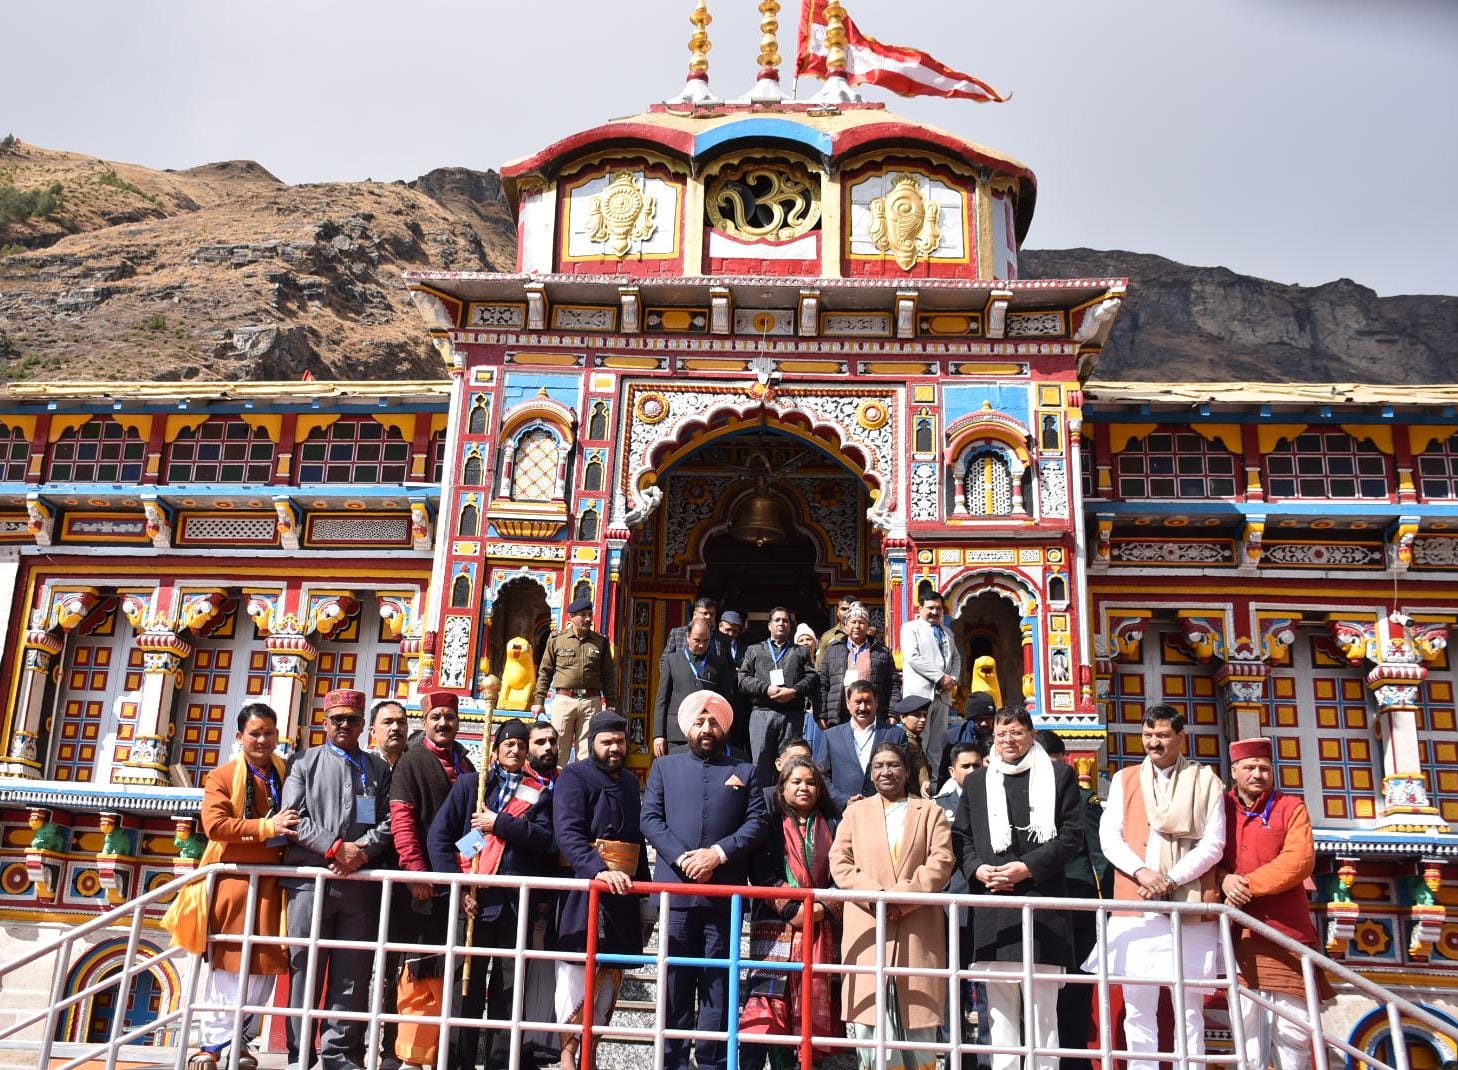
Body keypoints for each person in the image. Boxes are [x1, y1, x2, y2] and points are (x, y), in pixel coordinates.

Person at [1091, 705, 1226, 1070]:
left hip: (1188, 901)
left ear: (1181, 737)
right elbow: (1110, 836)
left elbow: (1214, 843)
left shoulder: (1206, 781)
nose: (1155, 742)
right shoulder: (1125, 779)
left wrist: (1171, 879)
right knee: (1138, 1005)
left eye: (1163, 735)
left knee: (1189, 1007)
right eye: (1148, 735)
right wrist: (1143, 873)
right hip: (1136, 902)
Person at [640, 690, 769, 1070]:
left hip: (724, 894)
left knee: (719, 981)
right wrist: (684, 858)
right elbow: (650, 819)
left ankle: (713, 1062)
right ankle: (673, 1062)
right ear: (687, 727)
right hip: (677, 894)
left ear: (724, 726)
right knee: (676, 981)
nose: (707, 728)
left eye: (713, 721)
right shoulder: (665, 767)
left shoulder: (744, 770)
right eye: (699, 721)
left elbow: (757, 822)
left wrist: (718, 854)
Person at [954, 708, 1083, 1070]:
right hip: (993, 904)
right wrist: (977, 869)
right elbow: (961, 836)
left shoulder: (1058, 775)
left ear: (1031, 734)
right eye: (1001, 734)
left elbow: (1072, 834)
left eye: (1016, 732)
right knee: (999, 1013)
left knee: (1043, 1013)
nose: (1008, 740)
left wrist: (1027, 868)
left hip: (1042, 904)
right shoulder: (978, 782)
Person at [427, 718, 555, 1070]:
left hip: (515, 904)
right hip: (473, 900)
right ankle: (457, 1062)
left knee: (508, 990)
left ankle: (500, 1062)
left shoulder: (539, 793)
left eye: (521, 745)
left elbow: (546, 840)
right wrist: (456, 887)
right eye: (508, 744)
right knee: (464, 986)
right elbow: (440, 839)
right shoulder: (473, 785)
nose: (515, 750)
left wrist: (498, 823)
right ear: (496, 749)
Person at [280, 689, 394, 1070]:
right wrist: (334, 848)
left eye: (353, 720)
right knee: (305, 968)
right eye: (337, 719)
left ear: (363, 727)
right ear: (324, 722)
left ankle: (339, 1053)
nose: (345, 725)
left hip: (358, 883)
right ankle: (299, 1053)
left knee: (353, 971)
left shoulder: (377, 769)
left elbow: (388, 822)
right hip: (311, 883)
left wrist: (360, 851)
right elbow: (292, 818)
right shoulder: (303, 762)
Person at [830, 741, 955, 1070]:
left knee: (919, 1022)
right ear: (871, 774)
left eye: (893, 765)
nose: (886, 771)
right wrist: (877, 898)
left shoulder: (930, 812)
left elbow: (941, 862)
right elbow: (840, 864)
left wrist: (901, 899)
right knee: (871, 1022)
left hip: (917, 927)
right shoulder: (855, 813)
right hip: (868, 923)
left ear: (907, 771)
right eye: (879, 766)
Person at [187, 703, 299, 1070]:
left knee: (264, 967)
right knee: (230, 966)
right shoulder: (221, 777)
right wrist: (267, 827)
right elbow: (215, 826)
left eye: (268, 732)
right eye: (255, 733)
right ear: (239, 737)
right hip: (236, 885)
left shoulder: (288, 772)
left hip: (275, 886)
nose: (262, 740)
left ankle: (243, 1042)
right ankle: (211, 1045)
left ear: (277, 735)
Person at [1220, 737, 1332, 1070]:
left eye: (1264, 768)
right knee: (1245, 1026)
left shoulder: (1290, 807)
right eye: (1250, 767)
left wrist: (1247, 885)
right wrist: (1224, 880)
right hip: (1238, 934)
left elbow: (1299, 860)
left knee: (1293, 1027)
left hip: (1285, 932)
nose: (1258, 774)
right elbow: (1209, 855)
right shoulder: (1220, 808)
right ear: (1234, 771)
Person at [552, 710, 649, 1070]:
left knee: (610, 980)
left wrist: (645, 898)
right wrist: (599, 871)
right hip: (584, 892)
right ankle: (567, 1056)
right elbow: (568, 834)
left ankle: (590, 1055)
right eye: (607, 742)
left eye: (620, 742)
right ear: (592, 742)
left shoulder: (629, 783)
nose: (614, 748)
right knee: (576, 977)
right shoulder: (574, 777)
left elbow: (636, 840)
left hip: (623, 895)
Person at [387, 691, 474, 1070]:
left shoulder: (466, 765)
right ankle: (411, 1057)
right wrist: (416, 873)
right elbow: (403, 821)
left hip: (457, 883)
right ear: (424, 722)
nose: (443, 723)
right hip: (422, 887)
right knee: (419, 969)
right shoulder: (412, 761)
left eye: (449, 717)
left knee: (448, 970)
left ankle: (437, 1055)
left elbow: (474, 826)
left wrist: (469, 873)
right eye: (436, 717)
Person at [741, 756, 843, 1070]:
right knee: (772, 1008)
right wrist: (792, 908)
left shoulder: (835, 824)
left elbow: (844, 873)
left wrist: (821, 909)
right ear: (782, 787)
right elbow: (761, 872)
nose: (804, 788)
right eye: (796, 781)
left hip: (822, 926)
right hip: (776, 927)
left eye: (811, 782)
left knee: (815, 1005)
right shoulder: (769, 825)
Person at [1035, 730, 1110, 1070]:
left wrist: (1102, 905)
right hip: (1040, 909)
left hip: (1078, 907)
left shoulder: (1082, 799)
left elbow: (1098, 857)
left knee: (1076, 994)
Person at [532, 596, 616, 768]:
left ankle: (582, 784)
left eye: (589, 614)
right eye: (583, 615)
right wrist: (539, 701)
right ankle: (557, 783)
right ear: (572, 617)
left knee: (587, 753)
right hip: (564, 700)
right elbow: (545, 671)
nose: (588, 619)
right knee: (558, 749)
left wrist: (611, 704)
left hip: (591, 702)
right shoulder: (557, 639)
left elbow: (608, 675)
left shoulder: (600, 642)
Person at [739, 606, 816, 787]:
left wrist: (794, 691)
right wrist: (765, 689)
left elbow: (812, 678)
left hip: (792, 714)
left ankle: (788, 802)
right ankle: (761, 802)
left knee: (791, 763)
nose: (781, 623)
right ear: (769, 625)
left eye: (785, 621)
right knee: (760, 764)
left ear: (790, 626)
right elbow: (743, 679)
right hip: (762, 713)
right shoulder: (754, 650)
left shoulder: (800, 651)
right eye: (777, 620)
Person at [813, 680, 906, 813]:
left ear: (876, 703)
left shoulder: (895, 734)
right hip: (844, 813)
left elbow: (905, 772)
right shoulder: (831, 736)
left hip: (887, 810)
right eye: (858, 702)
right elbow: (821, 775)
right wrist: (844, 800)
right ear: (848, 703)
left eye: (867, 702)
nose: (863, 708)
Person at [900, 589, 962, 780]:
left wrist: (953, 678)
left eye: (939, 608)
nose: (935, 612)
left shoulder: (947, 632)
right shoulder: (911, 628)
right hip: (920, 696)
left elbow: (956, 658)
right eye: (930, 608)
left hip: (942, 695)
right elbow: (913, 657)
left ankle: (933, 786)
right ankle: (917, 785)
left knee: (937, 745)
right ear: (920, 608)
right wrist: (940, 677)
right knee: (919, 742)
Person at [652, 619, 736, 756]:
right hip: (677, 734)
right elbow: (662, 700)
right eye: (697, 640)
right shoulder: (672, 660)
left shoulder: (719, 663)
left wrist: (725, 734)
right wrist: (658, 735)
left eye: (706, 641)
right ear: (688, 637)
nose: (702, 645)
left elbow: (725, 701)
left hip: (708, 733)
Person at [820, 603, 901, 725]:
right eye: (853, 622)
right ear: (846, 625)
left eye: (861, 622)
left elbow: (892, 685)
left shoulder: (882, 652)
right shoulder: (833, 650)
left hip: (872, 716)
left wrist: (892, 714)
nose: (857, 626)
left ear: (868, 626)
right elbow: (823, 683)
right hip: (840, 717)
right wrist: (822, 714)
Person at [893, 695, 934, 797]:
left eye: (925, 715)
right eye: (917, 715)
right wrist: (924, 781)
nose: (923, 719)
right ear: (903, 718)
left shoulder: (912, 737)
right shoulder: (905, 739)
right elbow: (917, 760)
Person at [794, 623, 826, 748]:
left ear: (815, 642)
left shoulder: (823, 662)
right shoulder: (793, 665)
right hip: (801, 713)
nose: (805, 643)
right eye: (801, 640)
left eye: (808, 639)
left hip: (820, 713)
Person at [371, 699, 410, 768]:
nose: (396, 727)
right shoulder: (363, 766)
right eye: (387, 722)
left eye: (401, 722)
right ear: (373, 731)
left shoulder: (419, 765)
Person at [817, 594, 857, 660]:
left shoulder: (867, 636)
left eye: (851, 609)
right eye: (844, 609)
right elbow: (820, 664)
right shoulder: (827, 637)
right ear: (837, 611)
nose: (847, 613)